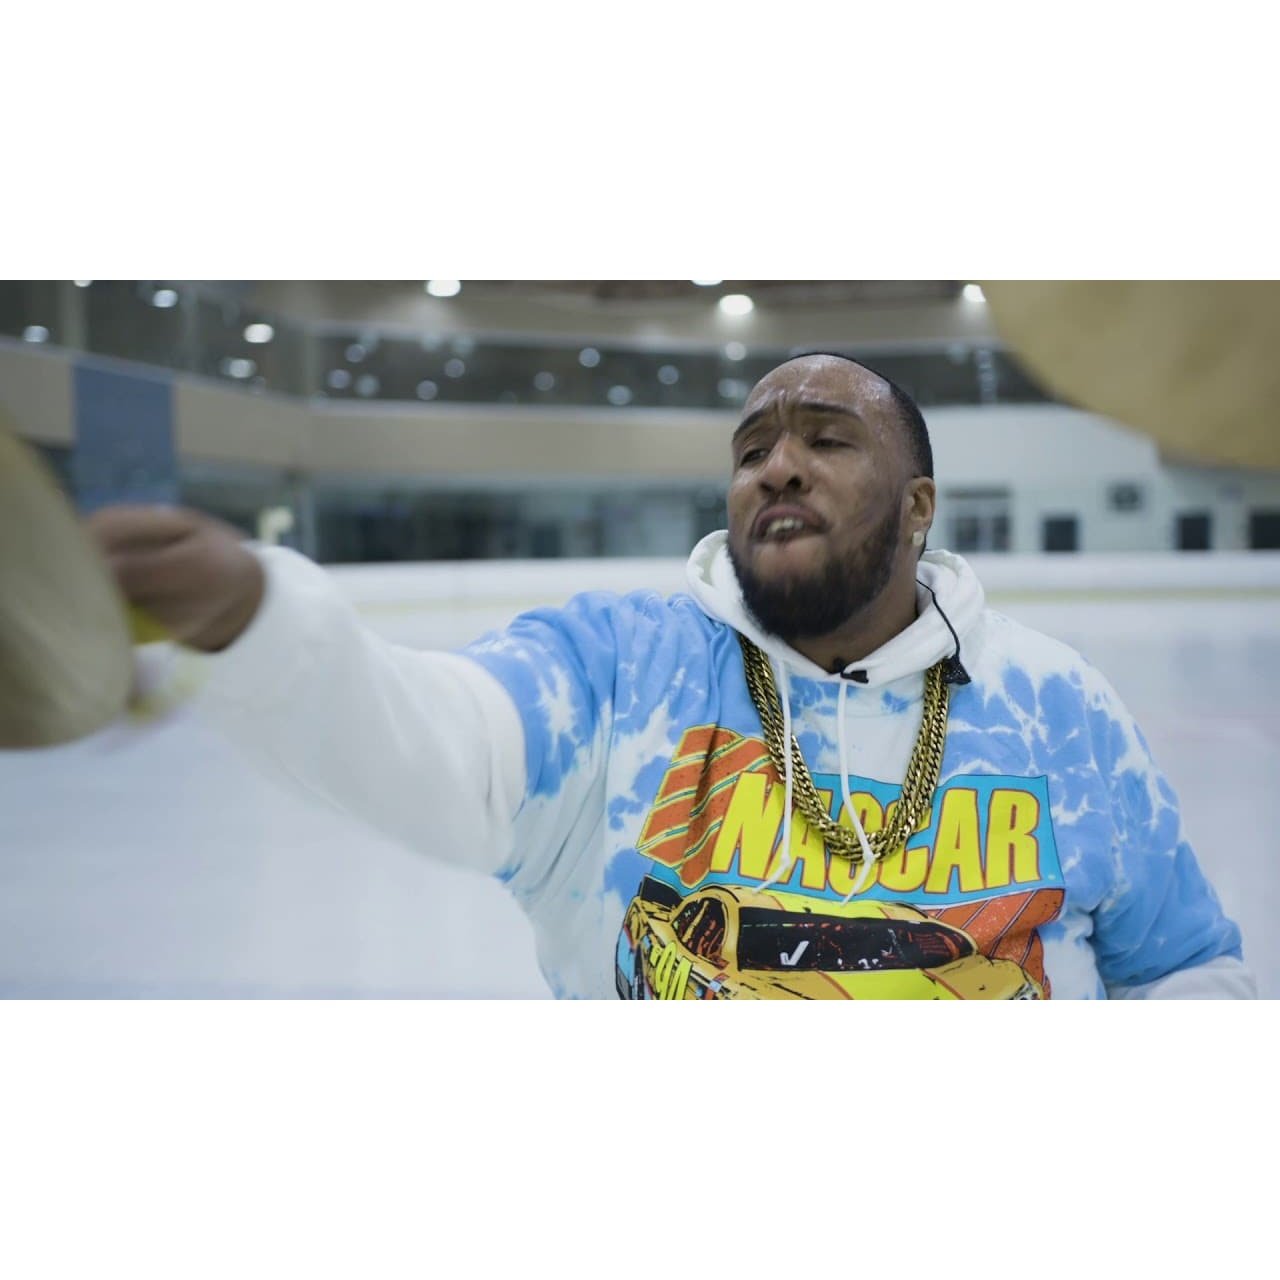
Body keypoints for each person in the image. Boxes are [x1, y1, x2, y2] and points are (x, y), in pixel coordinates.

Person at [89, 354, 1256, 999]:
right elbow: (440, 741)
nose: (775, 466)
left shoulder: (1056, 707)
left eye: (824, 439)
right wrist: (256, 616)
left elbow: (1187, 972)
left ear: (916, 508)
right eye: (751, 450)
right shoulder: (620, 671)